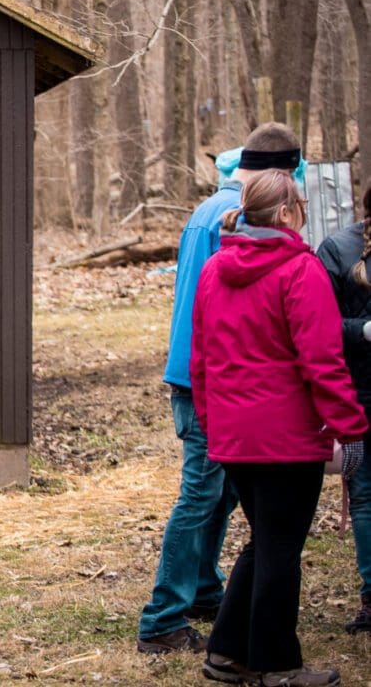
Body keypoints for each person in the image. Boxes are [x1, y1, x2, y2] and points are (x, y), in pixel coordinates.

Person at [191, 170, 367, 686]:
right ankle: (277, 665)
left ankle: (226, 651)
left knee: (267, 540)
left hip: (234, 435)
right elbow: (323, 361)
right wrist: (350, 426)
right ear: (288, 212)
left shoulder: (216, 268)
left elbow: (201, 360)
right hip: (286, 438)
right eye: (302, 203)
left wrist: (211, 421)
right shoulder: (300, 270)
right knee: (280, 548)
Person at [138, 122, 304, 653]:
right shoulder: (235, 218)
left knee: (224, 493)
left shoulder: (211, 210)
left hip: (197, 373)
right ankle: (163, 618)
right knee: (201, 495)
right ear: (283, 178)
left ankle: (206, 589)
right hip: (207, 377)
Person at [318, 183, 371, 633]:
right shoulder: (338, 249)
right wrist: (365, 331)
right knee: (368, 497)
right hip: (360, 395)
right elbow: (318, 326)